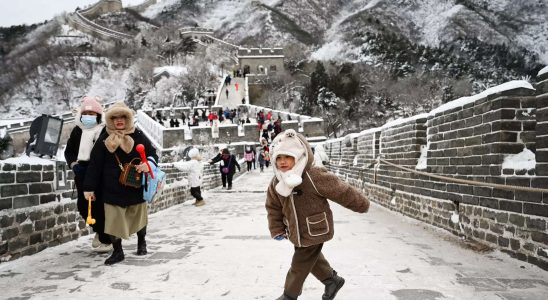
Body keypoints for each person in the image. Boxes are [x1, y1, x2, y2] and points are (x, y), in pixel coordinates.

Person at [265, 129, 370, 300]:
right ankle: (332, 280)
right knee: (311, 259)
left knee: (299, 264)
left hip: (315, 227)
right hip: (295, 230)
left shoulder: (313, 175)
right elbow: (273, 206)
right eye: (279, 158)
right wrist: (276, 228)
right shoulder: (277, 182)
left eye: (287, 157)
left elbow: (341, 190)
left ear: (298, 156)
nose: (282, 162)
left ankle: (289, 295)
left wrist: (361, 204)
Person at [83, 101, 157, 265]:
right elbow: (94, 165)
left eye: (123, 117)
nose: (119, 120)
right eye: (115, 117)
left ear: (128, 118)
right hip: (111, 187)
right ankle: (118, 251)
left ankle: (141, 242)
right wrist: (89, 187)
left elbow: (152, 153)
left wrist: (148, 164)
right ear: (110, 120)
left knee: (139, 217)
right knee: (113, 221)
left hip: (134, 185)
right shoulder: (104, 139)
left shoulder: (138, 135)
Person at [64, 96, 112, 253]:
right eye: (86, 113)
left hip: (100, 172)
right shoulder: (78, 130)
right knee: (84, 206)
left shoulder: (105, 129)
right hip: (82, 172)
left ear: (98, 115)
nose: (89, 116)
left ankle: (106, 239)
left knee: (100, 205)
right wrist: (74, 165)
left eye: (92, 113)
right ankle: (99, 231)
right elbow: (69, 151)